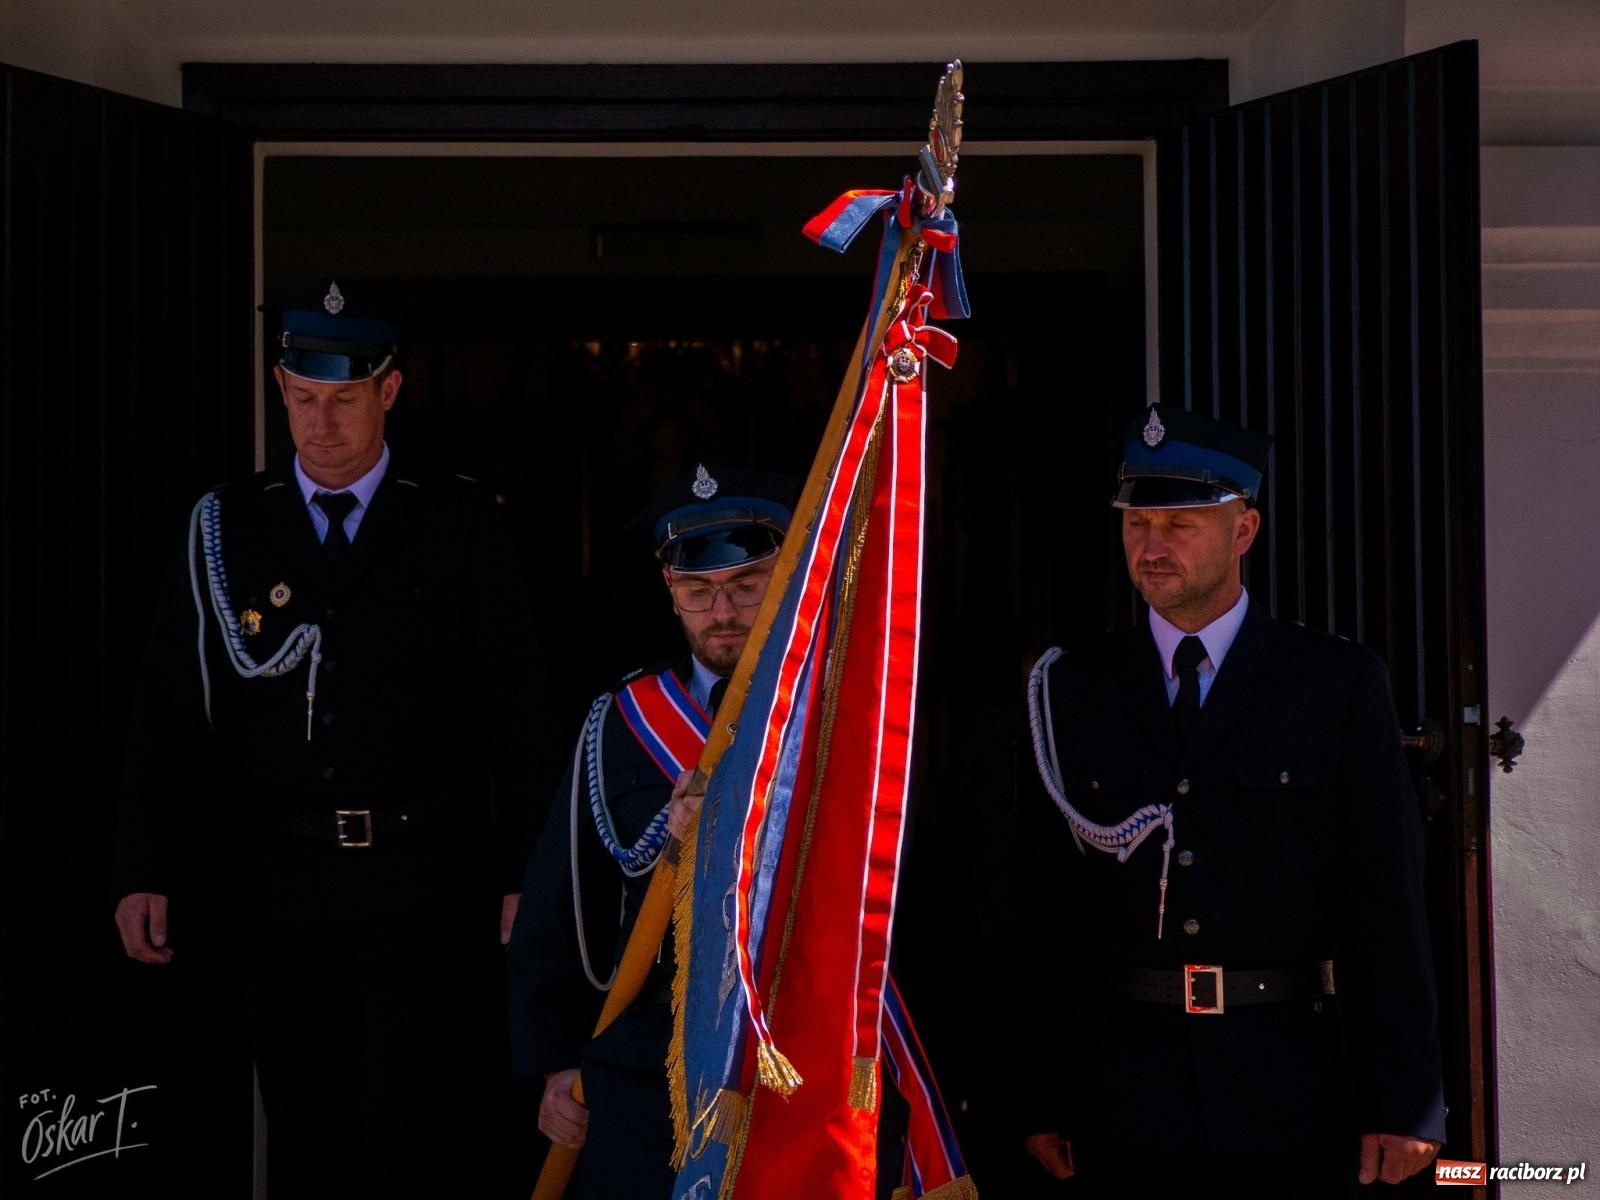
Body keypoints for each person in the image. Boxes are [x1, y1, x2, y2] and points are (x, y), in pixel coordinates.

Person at [112, 279, 556, 1198]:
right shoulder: (229, 524)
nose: (323, 422)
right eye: (305, 398)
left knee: (415, 1130)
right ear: (281, 387)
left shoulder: (459, 520)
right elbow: (169, 714)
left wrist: (527, 871)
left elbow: (519, 711)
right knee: (303, 1129)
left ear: (389, 391)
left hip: (422, 877)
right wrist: (145, 866)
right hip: (277, 880)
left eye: (345, 399)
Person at [1022, 403, 1445, 1197]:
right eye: (1137, 523)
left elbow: (1386, 904)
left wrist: (1407, 1099)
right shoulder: (1073, 689)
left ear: (1243, 532)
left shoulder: (1334, 685)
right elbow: (1048, 911)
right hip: (1121, 1096)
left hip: (1293, 1086)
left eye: (1180, 524)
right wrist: (1042, 1092)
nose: (1152, 547)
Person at [505, 461, 796, 1198]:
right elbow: (558, 904)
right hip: (644, 1062)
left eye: (744, 587)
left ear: (782, 584)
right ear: (672, 594)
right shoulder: (623, 723)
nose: (722, 611)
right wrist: (558, 1061)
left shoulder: (820, 718)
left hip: (792, 1058)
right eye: (699, 592)